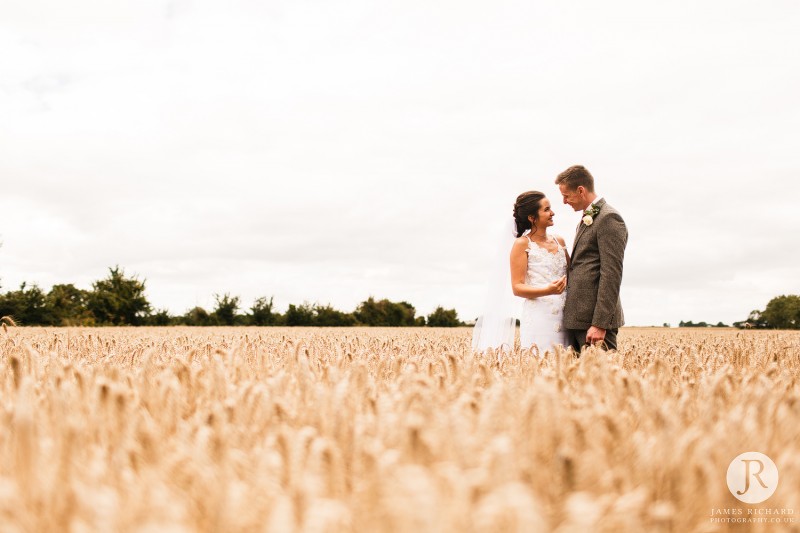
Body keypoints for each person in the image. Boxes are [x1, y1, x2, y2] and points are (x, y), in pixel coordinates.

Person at [555, 165, 628, 352]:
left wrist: (600, 323)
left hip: (593, 323)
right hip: (577, 318)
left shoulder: (609, 218)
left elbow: (611, 274)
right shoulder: (587, 217)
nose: (564, 201)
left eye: (566, 195)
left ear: (580, 190)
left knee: (603, 379)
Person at [509, 191, 569, 354]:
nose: (552, 213)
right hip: (540, 318)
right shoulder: (522, 244)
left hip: (567, 316)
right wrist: (548, 290)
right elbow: (517, 287)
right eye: (546, 209)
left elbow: (571, 275)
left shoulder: (560, 241)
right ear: (532, 217)